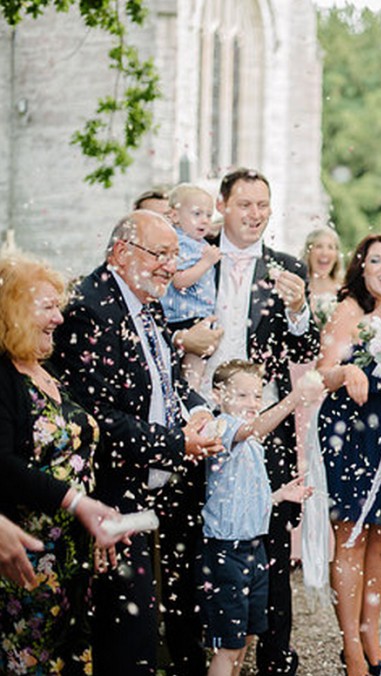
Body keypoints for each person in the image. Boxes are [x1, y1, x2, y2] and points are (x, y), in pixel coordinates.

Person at [49, 211, 223, 675]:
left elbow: (165, 380)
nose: (170, 265)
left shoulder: (147, 299)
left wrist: (198, 410)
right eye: (160, 254)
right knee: (122, 631)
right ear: (122, 253)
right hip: (103, 494)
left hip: (144, 486)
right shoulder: (89, 309)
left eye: (174, 255)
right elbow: (98, 418)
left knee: (139, 625)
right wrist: (176, 444)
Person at [176, 167, 319, 676]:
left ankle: (275, 658)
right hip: (198, 420)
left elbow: (306, 347)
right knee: (195, 535)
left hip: (265, 427)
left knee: (271, 542)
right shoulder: (192, 256)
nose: (255, 215)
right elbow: (167, 320)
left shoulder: (284, 268)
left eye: (263, 205)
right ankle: (194, 656)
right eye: (245, 205)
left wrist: (300, 308)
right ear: (222, 205)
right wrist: (183, 340)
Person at [0, 254, 125, 674]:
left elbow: (80, 453)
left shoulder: (50, 371)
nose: (59, 317)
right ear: (12, 311)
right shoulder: (4, 378)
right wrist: (76, 502)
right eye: (47, 307)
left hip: (76, 560)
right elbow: (3, 465)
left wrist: (99, 511)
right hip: (24, 559)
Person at [315, 233, 381, 676]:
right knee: (351, 535)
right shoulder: (348, 310)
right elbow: (323, 375)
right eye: (376, 260)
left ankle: (371, 632)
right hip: (349, 431)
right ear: (362, 267)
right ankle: (350, 646)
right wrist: (349, 367)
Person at [200, 360, 321, 676]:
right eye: (241, 396)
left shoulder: (253, 445)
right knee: (228, 644)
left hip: (255, 550)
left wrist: (280, 496)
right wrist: (295, 397)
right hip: (226, 552)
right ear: (217, 395)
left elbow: (246, 499)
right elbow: (251, 428)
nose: (252, 404)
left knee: (245, 640)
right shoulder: (221, 427)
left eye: (256, 397)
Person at [161, 183, 220, 389]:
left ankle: (189, 401)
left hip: (196, 314)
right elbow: (179, 280)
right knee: (186, 374)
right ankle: (186, 401)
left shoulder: (199, 242)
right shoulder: (179, 242)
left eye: (208, 215)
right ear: (175, 216)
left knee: (194, 371)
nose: (204, 220)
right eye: (197, 213)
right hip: (183, 316)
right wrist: (206, 262)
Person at [303, 228, 345, 328]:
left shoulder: (345, 291)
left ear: (336, 255)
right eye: (319, 246)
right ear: (309, 252)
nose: (324, 253)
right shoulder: (300, 290)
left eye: (330, 247)